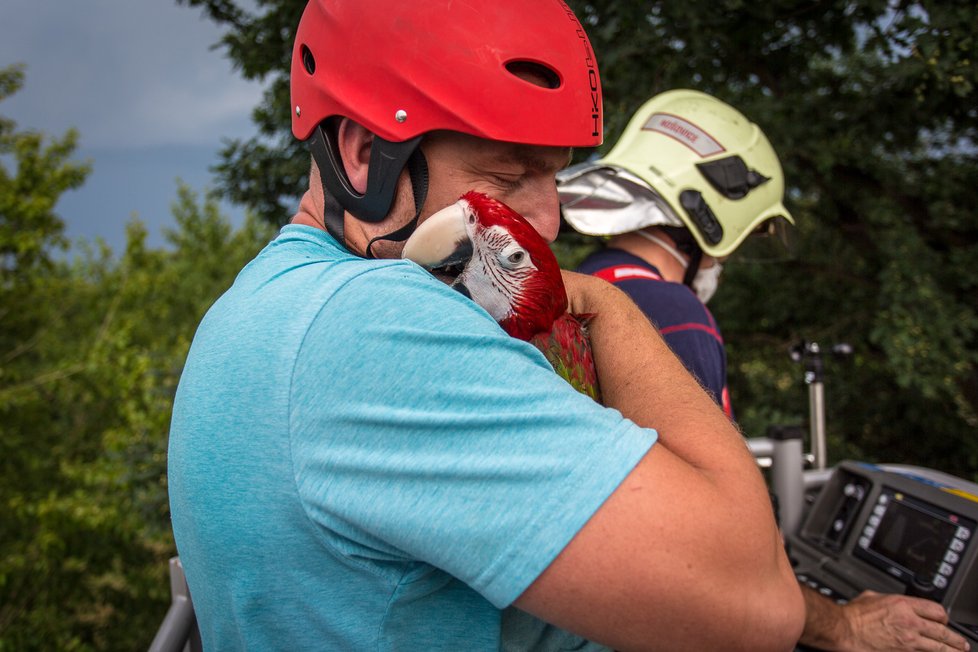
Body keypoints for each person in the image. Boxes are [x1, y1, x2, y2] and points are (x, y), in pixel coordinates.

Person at [166, 3, 805, 650]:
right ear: (364, 155)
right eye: (508, 176)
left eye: (553, 176)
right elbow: (758, 608)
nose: (549, 222)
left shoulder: (263, 303)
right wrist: (612, 310)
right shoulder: (382, 326)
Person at [558, 89, 971, 652]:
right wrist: (843, 624)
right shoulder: (672, 312)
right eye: (736, 242)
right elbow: (712, 542)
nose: (724, 263)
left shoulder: (583, 285)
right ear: (711, 215)